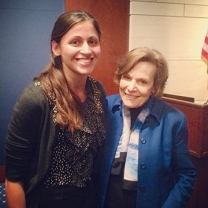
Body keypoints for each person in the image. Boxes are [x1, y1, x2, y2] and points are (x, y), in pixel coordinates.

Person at [5, 10, 106, 208]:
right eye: (75, 42)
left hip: (90, 199)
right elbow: (13, 179)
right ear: (56, 47)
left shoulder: (97, 90)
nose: (87, 50)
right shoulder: (36, 98)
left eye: (92, 41)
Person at [99, 47, 196, 208]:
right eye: (127, 77)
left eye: (142, 81)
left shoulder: (174, 121)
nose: (130, 87)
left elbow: (186, 175)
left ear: (155, 87)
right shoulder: (105, 107)